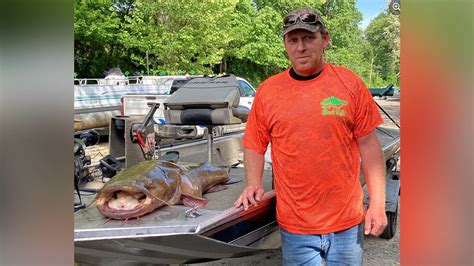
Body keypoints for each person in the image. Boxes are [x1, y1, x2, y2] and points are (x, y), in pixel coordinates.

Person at [234, 7, 387, 265]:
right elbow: (254, 144)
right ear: (285, 45)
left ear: (324, 39)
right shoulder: (269, 91)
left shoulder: (349, 83)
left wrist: (378, 205)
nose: (300, 47)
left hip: (347, 224)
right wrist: (253, 182)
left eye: (308, 38)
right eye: (293, 40)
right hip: (295, 226)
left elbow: (370, 148)